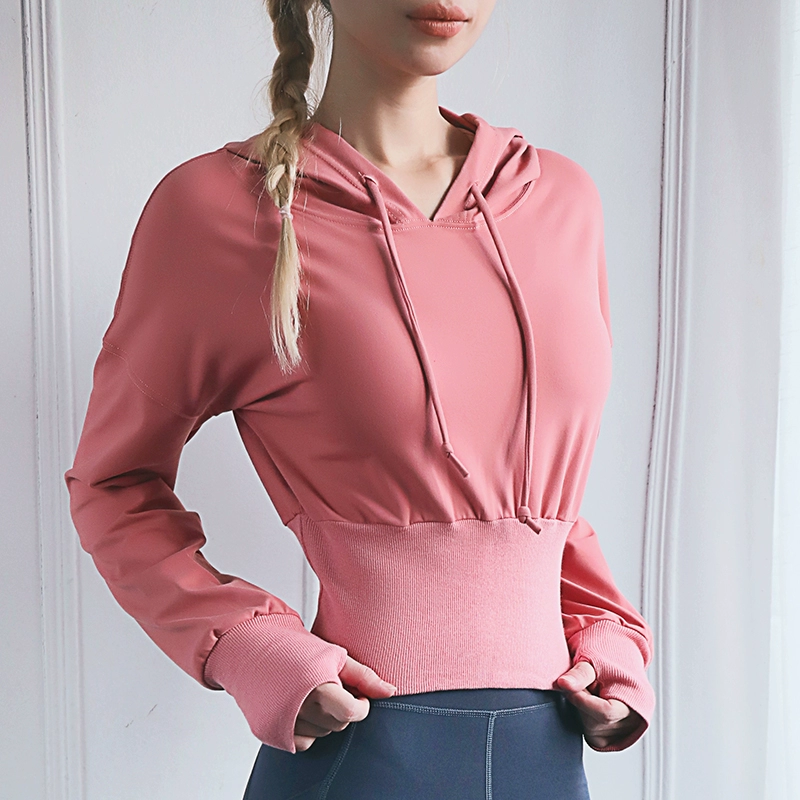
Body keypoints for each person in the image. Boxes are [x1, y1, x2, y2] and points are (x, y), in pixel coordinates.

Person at [64, 0, 656, 797]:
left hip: (549, 757)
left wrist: (608, 632)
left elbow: (533, 500)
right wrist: (244, 643)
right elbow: (112, 483)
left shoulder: (559, 200)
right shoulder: (221, 208)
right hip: (359, 754)